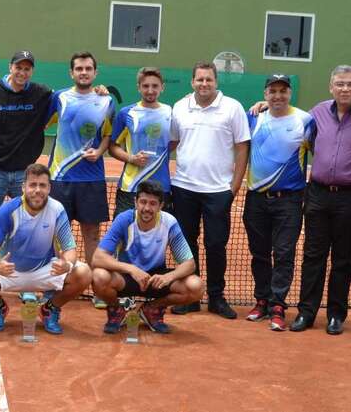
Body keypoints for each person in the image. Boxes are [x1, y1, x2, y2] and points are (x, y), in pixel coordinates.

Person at [0, 51, 109, 299]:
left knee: (31, 230)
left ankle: (32, 285)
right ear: (10, 67)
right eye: (18, 67)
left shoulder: (43, 94)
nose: (22, 72)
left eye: (27, 69)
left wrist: (101, 90)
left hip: (26, 173)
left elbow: (96, 118)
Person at [290, 65, 351, 334]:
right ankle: (306, 313)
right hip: (317, 193)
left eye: (350, 84)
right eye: (340, 84)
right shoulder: (317, 112)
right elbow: (288, 117)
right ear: (331, 87)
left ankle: (336, 316)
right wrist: (262, 103)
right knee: (312, 256)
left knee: (342, 259)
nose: (345, 88)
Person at [169, 61, 250, 319]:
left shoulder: (232, 108)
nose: (204, 84)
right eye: (200, 80)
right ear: (192, 82)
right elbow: (171, 142)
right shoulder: (180, 107)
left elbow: (242, 147)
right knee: (186, 245)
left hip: (218, 191)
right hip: (183, 187)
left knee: (216, 244)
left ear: (216, 82)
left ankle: (216, 297)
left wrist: (234, 187)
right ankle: (191, 297)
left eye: (209, 80)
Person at [0, 163, 92, 334]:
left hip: (44, 269)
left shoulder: (57, 209)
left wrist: (68, 265)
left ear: (49, 188)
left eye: (42, 185)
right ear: (23, 187)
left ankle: (50, 309)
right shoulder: (9, 209)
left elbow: (70, 249)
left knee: (84, 273)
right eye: (32, 185)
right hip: (10, 271)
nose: (37, 190)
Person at [242, 75, 313, 331]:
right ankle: (261, 300)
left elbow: (321, 151)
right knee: (259, 253)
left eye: (283, 91)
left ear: (290, 93)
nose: (278, 96)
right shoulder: (254, 117)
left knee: (284, 254)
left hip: (290, 200)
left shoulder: (305, 120)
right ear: (265, 93)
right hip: (256, 199)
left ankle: (278, 305)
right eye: (273, 91)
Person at [46, 51, 114, 308]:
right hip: (60, 178)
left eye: (88, 68)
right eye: (79, 69)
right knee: (54, 235)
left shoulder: (106, 101)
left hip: (91, 179)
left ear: (95, 73)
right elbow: (40, 123)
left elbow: (107, 134)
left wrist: (99, 151)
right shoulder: (59, 98)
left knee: (92, 234)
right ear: (71, 73)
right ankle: (54, 284)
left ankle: (98, 288)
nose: (83, 72)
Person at [91, 180, 203, 334]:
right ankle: (117, 310)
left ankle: (153, 309)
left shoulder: (169, 222)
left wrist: (169, 277)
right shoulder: (124, 219)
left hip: (156, 280)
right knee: (98, 276)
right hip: (127, 278)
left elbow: (189, 264)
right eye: (143, 202)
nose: (147, 208)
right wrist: (131, 269)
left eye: (153, 203)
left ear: (161, 206)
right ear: (135, 202)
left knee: (196, 286)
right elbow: (97, 258)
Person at [109, 67, 173, 217]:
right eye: (145, 86)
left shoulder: (170, 113)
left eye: (155, 86)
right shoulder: (127, 113)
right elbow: (112, 147)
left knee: (159, 236)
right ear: (138, 87)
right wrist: (131, 158)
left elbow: (174, 141)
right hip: (131, 187)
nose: (150, 90)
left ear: (162, 87)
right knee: (124, 234)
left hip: (161, 187)